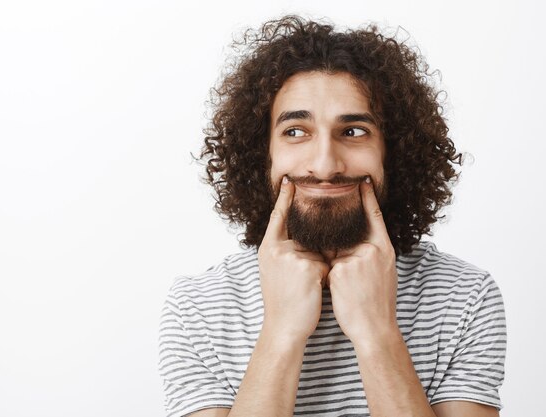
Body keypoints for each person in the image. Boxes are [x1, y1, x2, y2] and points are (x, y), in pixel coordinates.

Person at [158, 15, 507, 417]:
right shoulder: (198, 307)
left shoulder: (464, 296)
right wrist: (281, 333)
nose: (324, 165)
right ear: (262, 153)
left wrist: (376, 333)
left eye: (354, 131)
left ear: (392, 152)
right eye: (295, 131)